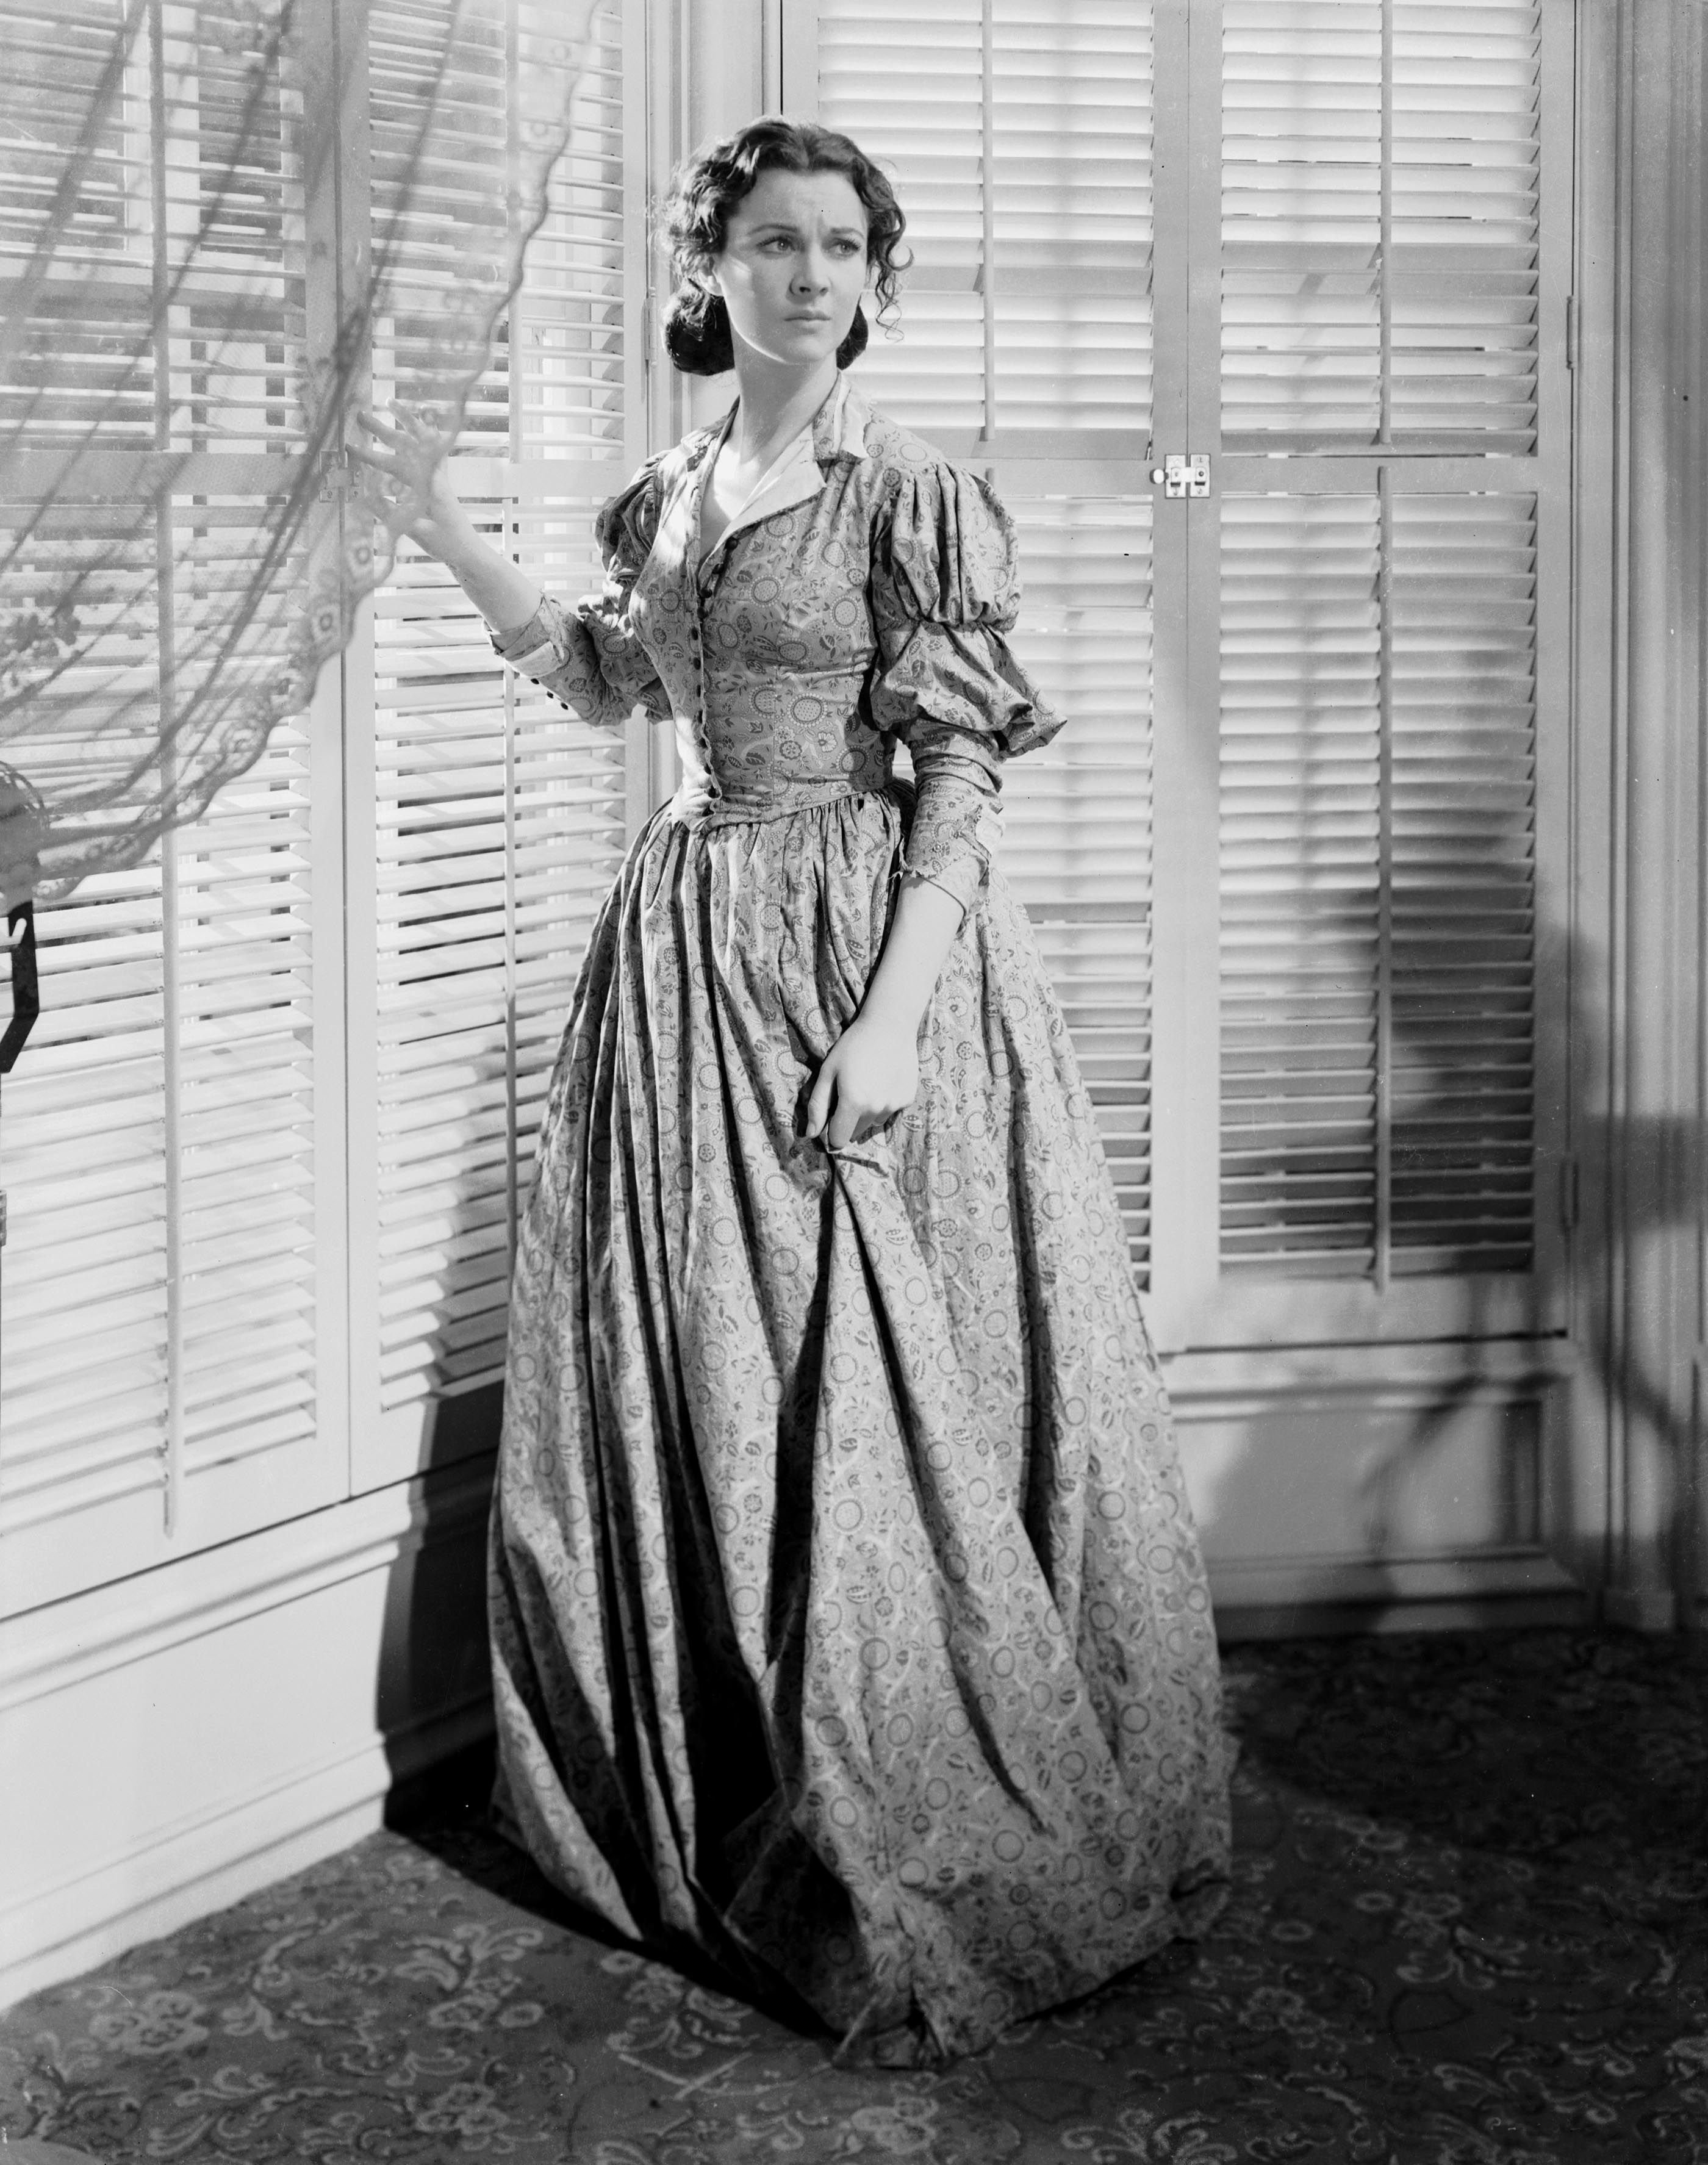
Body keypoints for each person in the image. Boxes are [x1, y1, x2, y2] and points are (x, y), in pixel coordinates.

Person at [352, 115, 1233, 2065]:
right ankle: (752, 1773)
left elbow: (962, 771)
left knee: (871, 1384)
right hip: (685, 955)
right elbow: (610, 683)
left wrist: (897, 1018)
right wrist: (439, 525)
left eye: (842, 245)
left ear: (874, 276)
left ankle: (908, 1807)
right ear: (714, 267)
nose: (811, 273)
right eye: (775, 241)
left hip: (862, 942)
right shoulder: (674, 490)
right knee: (728, 1381)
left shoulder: (906, 490)